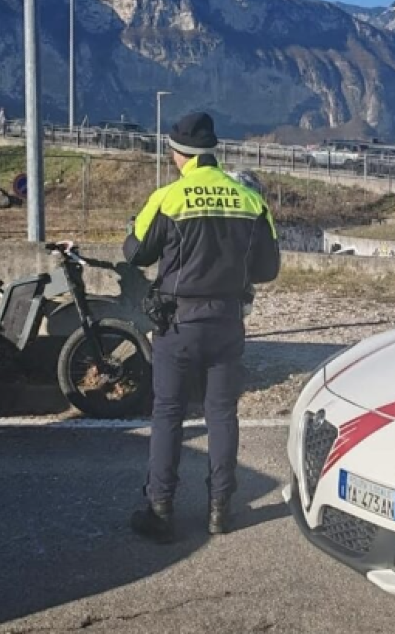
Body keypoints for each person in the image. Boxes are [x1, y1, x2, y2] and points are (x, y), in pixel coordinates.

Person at [122, 111, 280, 543]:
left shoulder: (168, 198)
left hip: (178, 323)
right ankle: (220, 510)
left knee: (168, 413)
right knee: (222, 414)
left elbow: (135, 252)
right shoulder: (250, 200)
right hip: (228, 320)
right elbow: (268, 268)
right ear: (212, 153)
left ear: (178, 155)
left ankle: (160, 508)